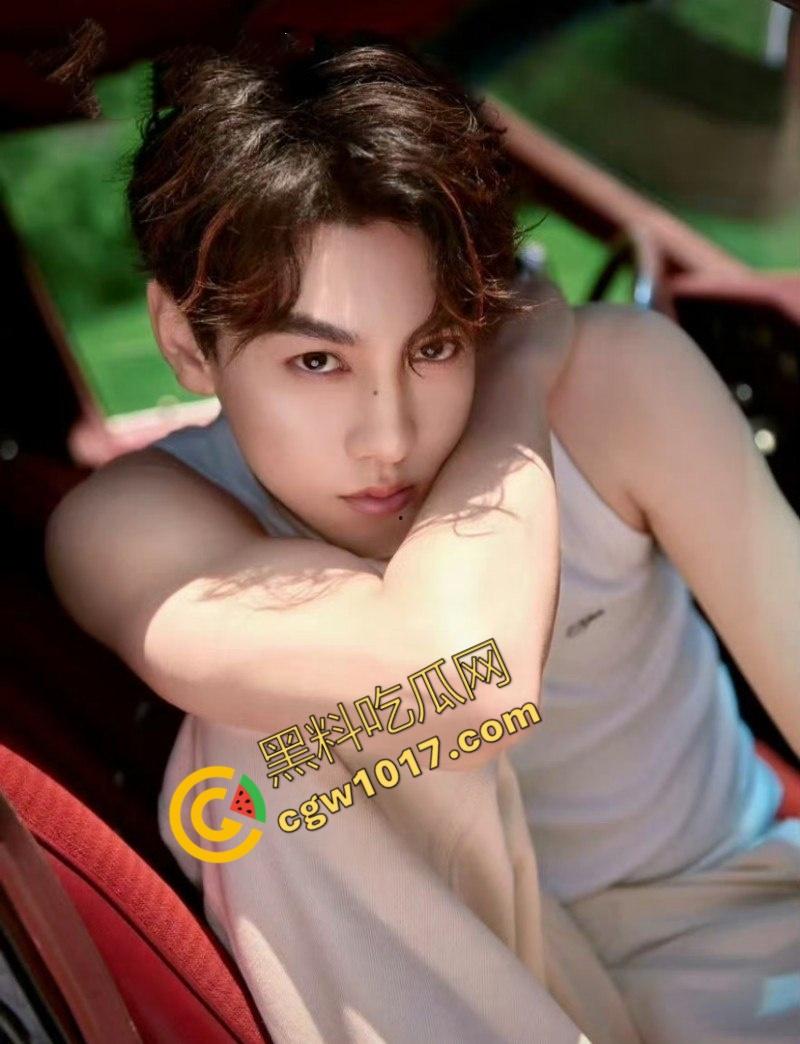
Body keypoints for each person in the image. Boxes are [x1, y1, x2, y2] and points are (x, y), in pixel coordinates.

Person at [44, 33, 800, 1044]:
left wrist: (523, 372)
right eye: (317, 362)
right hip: (476, 986)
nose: (389, 437)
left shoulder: (615, 386)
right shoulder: (130, 520)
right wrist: (514, 383)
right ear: (185, 340)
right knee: (261, 745)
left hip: (726, 916)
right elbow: (469, 683)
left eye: (433, 345)